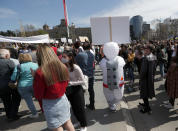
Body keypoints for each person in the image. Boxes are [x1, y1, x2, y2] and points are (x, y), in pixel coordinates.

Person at [33, 44, 74, 131]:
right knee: (68, 122)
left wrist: (35, 79)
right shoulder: (62, 66)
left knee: (57, 127)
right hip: (63, 99)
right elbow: (66, 83)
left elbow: (38, 94)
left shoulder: (40, 72)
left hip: (50, 103)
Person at [61, 51, 87, 131]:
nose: (62, 59)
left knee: (80, 108)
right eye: (62, 57)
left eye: (64, 57)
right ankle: (79, 122)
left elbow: (83, 81)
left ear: (70, 57)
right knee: (74, 109)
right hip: (69, 90)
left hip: (77, 89)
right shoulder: (64, 67)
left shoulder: (76, 67)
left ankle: (84, 125)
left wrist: (71, 83)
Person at [11, 54, 39, 118]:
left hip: (23, 86)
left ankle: (35, 114)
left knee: (29, 101)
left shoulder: (19, 66)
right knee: (40, 98)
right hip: (35, 84)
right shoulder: (35, 64)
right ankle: (44, 110)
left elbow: (13, 78)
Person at [100, 42, 125, 112]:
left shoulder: (103, 61)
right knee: (119, 95)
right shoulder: (120, 59)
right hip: (119, 82)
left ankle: (111, 105)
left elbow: (101, 67)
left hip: (106, 83)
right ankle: (115, 103)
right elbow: (123, 65)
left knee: (108, 95)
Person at [0, 49, 21, 121]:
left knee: (6, 101)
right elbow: (14, 72)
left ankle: (9, 115)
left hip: (1, 87)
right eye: (9, 55)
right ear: (6, 55)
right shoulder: (9, 62)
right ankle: (14, 114)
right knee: (16, 98)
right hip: (10, 85)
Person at [139, 45, 156, 114]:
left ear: (150, 50)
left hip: (145, 79)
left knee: (144, 93)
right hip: (150, 78)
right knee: (147, 93)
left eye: (146, 49)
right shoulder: (153, 56)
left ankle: (147, 108)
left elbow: (143, 71)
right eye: (145, 49)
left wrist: (140, 78)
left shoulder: (146, 58)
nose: (145, 50)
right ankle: (146, 105)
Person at [164, 45, 178, 110]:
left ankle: (171, 104)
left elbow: (174, 64)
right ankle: (170, 102)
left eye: (175, 48)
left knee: (173, 90)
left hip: (175, 76)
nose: (174, 48)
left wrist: (175, 65)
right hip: (172, 75)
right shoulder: (174, 53)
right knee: (171, 89)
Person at [83, 42, 95, 110]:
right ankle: (92, 105)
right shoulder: (92, 54)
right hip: (91, 74)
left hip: (84, 75)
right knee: (91, 90)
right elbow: (93, 64)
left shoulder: (82, 55)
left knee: (82, 91)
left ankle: (83, 105)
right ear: (89, 47)